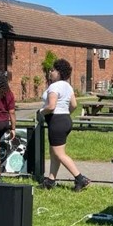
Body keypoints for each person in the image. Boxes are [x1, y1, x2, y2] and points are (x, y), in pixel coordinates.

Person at [39, 58, 90, 192]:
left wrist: (41, 112)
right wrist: (65, 114)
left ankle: (80, 178)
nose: (50, 72)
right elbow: (74, 105)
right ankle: (51, 180)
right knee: (54, 152)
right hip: (65, 120)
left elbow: (51, 106)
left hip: (56, 121)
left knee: (59, 154)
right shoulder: (68, 86)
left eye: (53, 70)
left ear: (59, 72)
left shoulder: (54, 86)